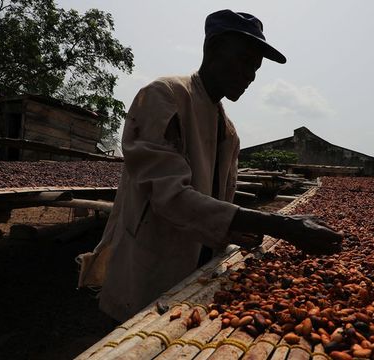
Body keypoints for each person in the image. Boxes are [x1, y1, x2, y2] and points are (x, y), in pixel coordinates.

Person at [77, 9, 342, 322]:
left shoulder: (228, 131)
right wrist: (279, 225)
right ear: (213, 49)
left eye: (255, 68)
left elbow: (214, 204)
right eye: (244, 61)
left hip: (197, 270)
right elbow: (170, 197)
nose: (250, 75)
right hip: (149, 269)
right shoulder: (164, 97)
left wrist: (234, 231)